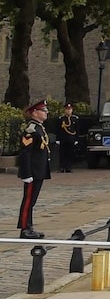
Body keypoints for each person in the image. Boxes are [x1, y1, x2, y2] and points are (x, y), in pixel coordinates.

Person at [16, 99, 52, 238]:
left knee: (32, 200)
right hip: (32, 171)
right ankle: (25, 228)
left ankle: (29, 226)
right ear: (35, 113)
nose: (46, 113)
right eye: (43, 110)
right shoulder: (31, 129)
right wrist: (26, 173)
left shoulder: (39, 128)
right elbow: (26, 153)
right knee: (28, 200)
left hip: (38, 170)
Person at [53, 102, 83, 173]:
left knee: (70, 153)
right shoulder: (61, 119)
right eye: (67, 109)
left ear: (72, 110)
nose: (68, 111)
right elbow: (58, 130)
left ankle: (68, 167)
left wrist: (76, 139)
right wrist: (58, 139)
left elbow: (77, 129)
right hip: (63, 138)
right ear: (65, 110)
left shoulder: (75, 119)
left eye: (70, 109)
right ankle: (62, 167)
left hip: (71, 139)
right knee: (62, 153)